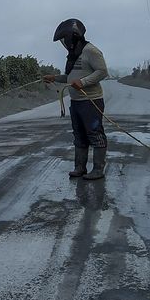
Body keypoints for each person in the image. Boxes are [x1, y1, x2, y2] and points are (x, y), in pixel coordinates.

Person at [43, 19, 109, 180]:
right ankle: (80, 168)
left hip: (91, 102)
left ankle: (98, 169)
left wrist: (84, 82)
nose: (64, 43)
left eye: (65, 38)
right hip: (76, 103)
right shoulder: (74, 54)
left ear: (74, 36)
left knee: (95, 134)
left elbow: (102, 72)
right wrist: (55, 78)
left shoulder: (91, 51)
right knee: (79, 135)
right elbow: (70, 77)